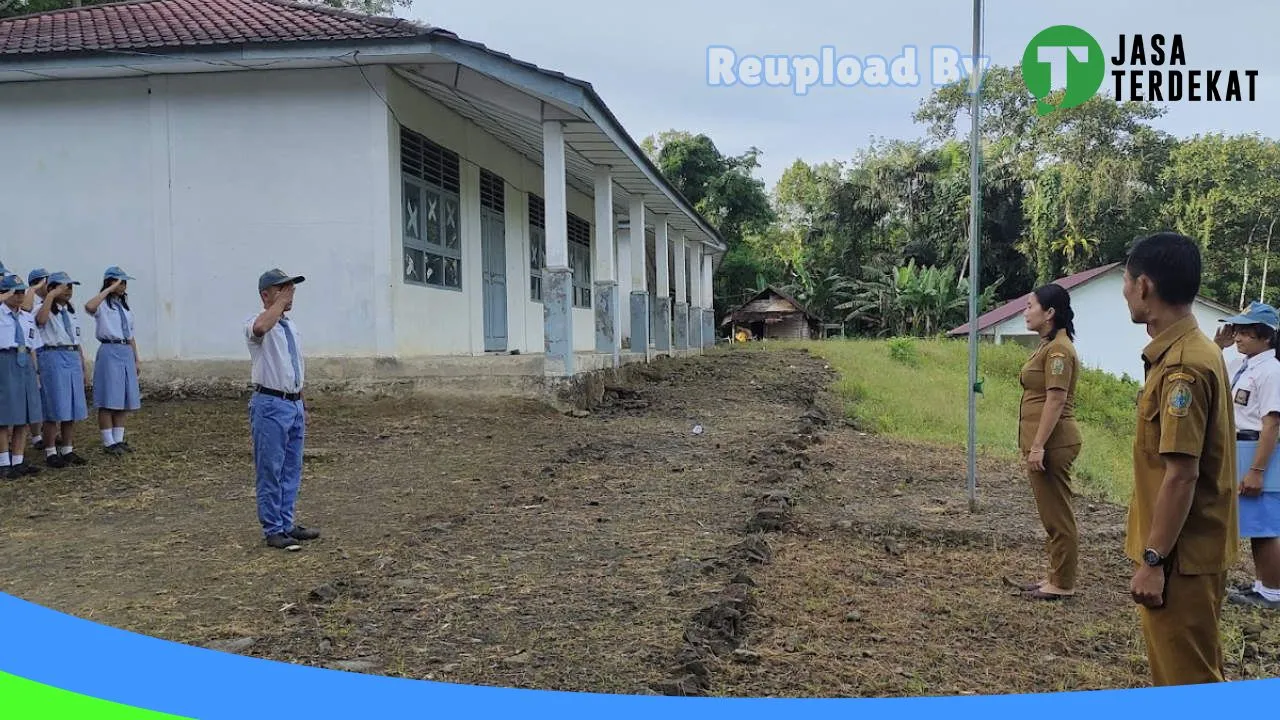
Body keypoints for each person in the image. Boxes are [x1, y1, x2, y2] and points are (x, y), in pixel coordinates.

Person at [1121, 231, 1237, 686]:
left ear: (1145, 286)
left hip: (1179, 559)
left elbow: (1182, 475)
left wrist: (1153, 561)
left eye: (1127, 284)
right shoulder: (1199, 349)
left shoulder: (1182, 367)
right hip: (1192, 549)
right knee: (1196, 669)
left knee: (1186, 683)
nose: (1126, 293)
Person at [1012, 283, 1084, 601]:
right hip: (1045, 443)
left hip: (1054, 444)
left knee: (1058, 516)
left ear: (1050, 312)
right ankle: (1054, 575)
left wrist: (1038, 445)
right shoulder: (1048, 345)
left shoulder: (1058, 351)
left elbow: (1055, 399)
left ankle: (1062, 583)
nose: (1025, 312)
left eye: (1030, 306)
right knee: (1051, 514)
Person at [1212, 301, 1280, 610]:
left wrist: (1256, 469)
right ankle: (1261, 584)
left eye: (1246, 333)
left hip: (1256, 451)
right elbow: (1211, 372)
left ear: (1265, 336)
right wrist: (1219, 345)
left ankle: (1272, 592)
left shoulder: (1271, 371)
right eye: (1237, 331)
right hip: (1240, 448)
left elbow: (1271, 424)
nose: (1238, 337)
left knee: (1265, 527)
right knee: (1254, 525)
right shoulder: (1245, 365)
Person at [246, 268, 319, 551]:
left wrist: (301, 403)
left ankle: (287, 522)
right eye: (282, 289)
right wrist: (277, 304)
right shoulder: (256, 323)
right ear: (266, 295)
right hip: (270, 404)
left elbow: (293, 367)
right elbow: (259, 329)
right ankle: (273, 528)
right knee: (270, 468)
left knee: (292, 467)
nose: (290, 294)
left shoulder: (292, 327)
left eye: (291, 289)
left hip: (292, 403)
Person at [34, 272, 90, 468]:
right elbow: (40, 321)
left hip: (71, 356)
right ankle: (50, 451)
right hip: (53, 355)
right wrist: (49, 296)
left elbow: (76, 340)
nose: (68, 291)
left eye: (71, 287)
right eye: (64, 287)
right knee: (54, 406)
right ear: (52, 288)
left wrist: (82, 365)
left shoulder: (70, 312)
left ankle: (67, 449)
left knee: (71, 406)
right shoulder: (42, 308)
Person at [84, 266, 141, 455]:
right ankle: (108, 442)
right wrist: (107, 290)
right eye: (119, 282)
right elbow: (89, 307)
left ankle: (119, 439)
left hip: (125, 349)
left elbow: (131, 335)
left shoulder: (124, 307)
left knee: (123, 397)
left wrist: (136, 358)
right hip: (109, 349)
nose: (123, 286)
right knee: (108, 397)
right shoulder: (102, 304)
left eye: (124, 282)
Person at [0, 274, 43, 480]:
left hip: (23, 361)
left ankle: (18, 460)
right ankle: (3, 462)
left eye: (21, 292)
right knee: (4, 415)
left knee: (23, 416)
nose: (19, 296)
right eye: (14, 292)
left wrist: (34, 372)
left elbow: (31, 346)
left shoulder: (26, 318)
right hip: (4, 361)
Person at [21, 267, 49, 451]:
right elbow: (26, 307)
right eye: (44, 282)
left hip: (41, 350)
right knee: (32, 397)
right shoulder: (30, 304)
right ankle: (36, 436)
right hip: (31, 352)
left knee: (41, 396)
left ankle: (41, 434)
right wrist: (32, 288)